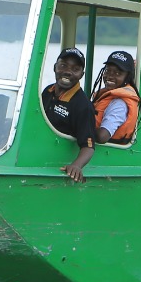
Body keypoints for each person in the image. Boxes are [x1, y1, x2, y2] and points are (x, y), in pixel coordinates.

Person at [41, 48, 97, 182]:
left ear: (81, 75)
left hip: (55, 162)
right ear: (55, 67)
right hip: (40, 154)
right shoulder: (47, 91)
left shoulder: (83, 105)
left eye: (75, 69)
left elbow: (88, 146)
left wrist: (76, 165)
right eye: (63, 65)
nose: (67, 72)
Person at [92, 51, 141, 144]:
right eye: (108, 70)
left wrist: (79, 127)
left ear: (127, 77)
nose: (110, 76)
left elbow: (102, 136)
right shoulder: (108, 96)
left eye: (117, 73)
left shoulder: (120, 104)